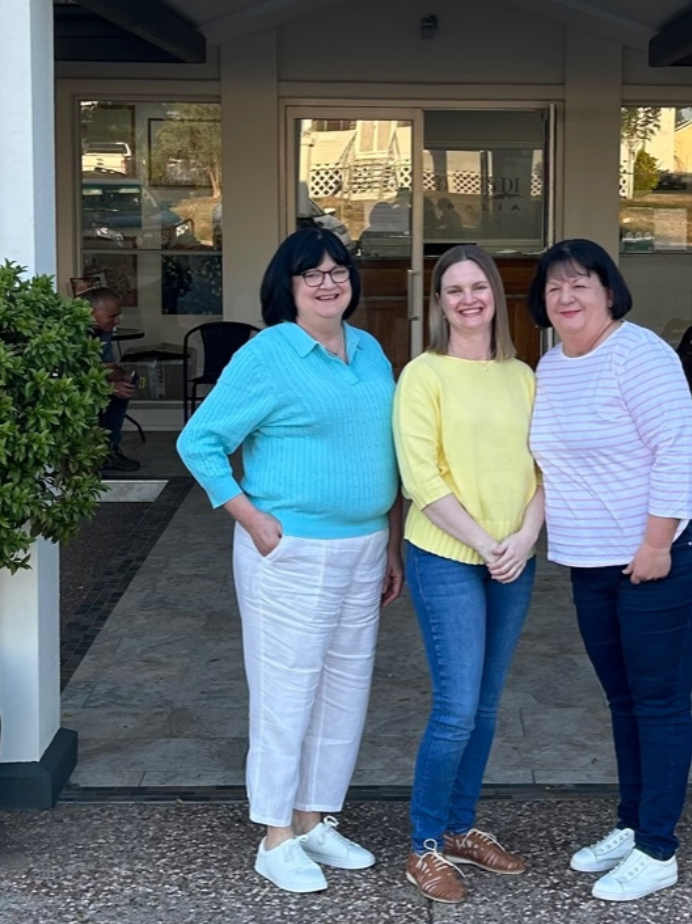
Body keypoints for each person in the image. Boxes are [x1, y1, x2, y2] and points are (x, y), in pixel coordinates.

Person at [176, 226, 405, 894]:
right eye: (312, 274)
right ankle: (275, 835)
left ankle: (313, 818)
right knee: (286, 690)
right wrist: (251, 518)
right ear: (289, 286)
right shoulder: (267, 354)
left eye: (338, 271)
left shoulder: (368, 350)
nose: (328, 283)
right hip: (292, 550)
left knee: (344, 691)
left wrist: (391, 542)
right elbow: (199, 441)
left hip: (364, 546)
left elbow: (384, 452)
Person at [525, 238, 692, 902]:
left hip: (666, 553)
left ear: (609, 292)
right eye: (554, 287)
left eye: (580, 283)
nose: (567, 297)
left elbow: (677, 448)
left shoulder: (639, 354)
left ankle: (658, 848)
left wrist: (656, 542)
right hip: (592, 561)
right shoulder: (551, 365)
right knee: (624, 700)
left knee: (659, 701)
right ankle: (634, 823)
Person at [392, 245, 543, 904]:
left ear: (495, 295)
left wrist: (525, 537)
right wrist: (485, 542)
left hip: (513, 557)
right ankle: (424, 845)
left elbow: (547, 466)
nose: (467, 299)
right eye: (453, 290)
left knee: (484, 707)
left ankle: (459, 828)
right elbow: (421, 478)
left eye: (478, 286)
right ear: (439, 302)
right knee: (454, 710)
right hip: (447, 555)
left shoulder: (522, 375)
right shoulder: (422, 375)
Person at [83, 285, 140, 473]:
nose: (117, 321)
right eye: (112, 316)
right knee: (114, 391)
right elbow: (66, 378)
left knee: (125, 386)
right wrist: (109, 387)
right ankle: (88, 452)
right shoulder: (68, 333)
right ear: (90, 313)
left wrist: (122, 376)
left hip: (92, 382)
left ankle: (109, 450)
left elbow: (107, 366)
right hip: (69, 391)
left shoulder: (103, 331)